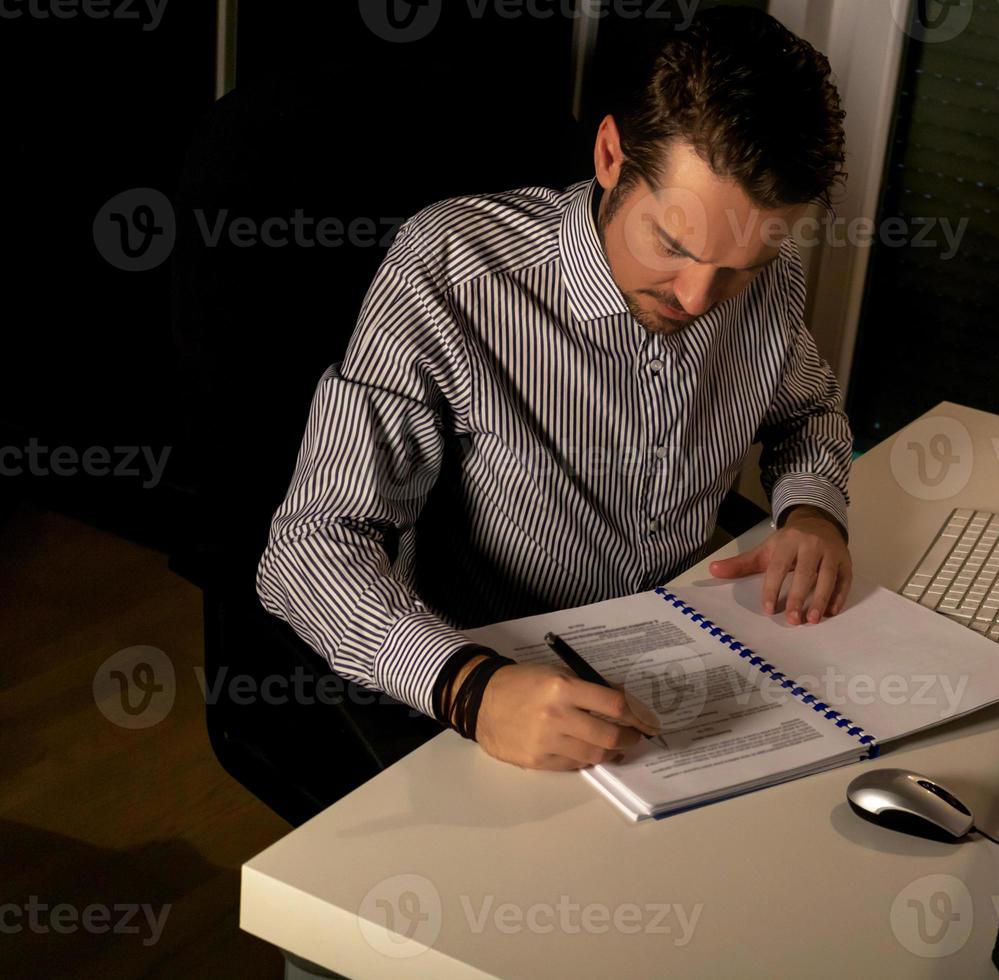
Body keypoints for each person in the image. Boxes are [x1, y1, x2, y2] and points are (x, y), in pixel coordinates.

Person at [257, 7, 853, 773]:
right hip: (491, 696)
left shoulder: (769, 282)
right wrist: (473, 690)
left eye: (741, 266)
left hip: (679, 672)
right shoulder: (452, 270)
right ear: (611, 155)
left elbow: (807, 414)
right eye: (672, 244)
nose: (700, 298)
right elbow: (309, 549)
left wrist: (811, 513)